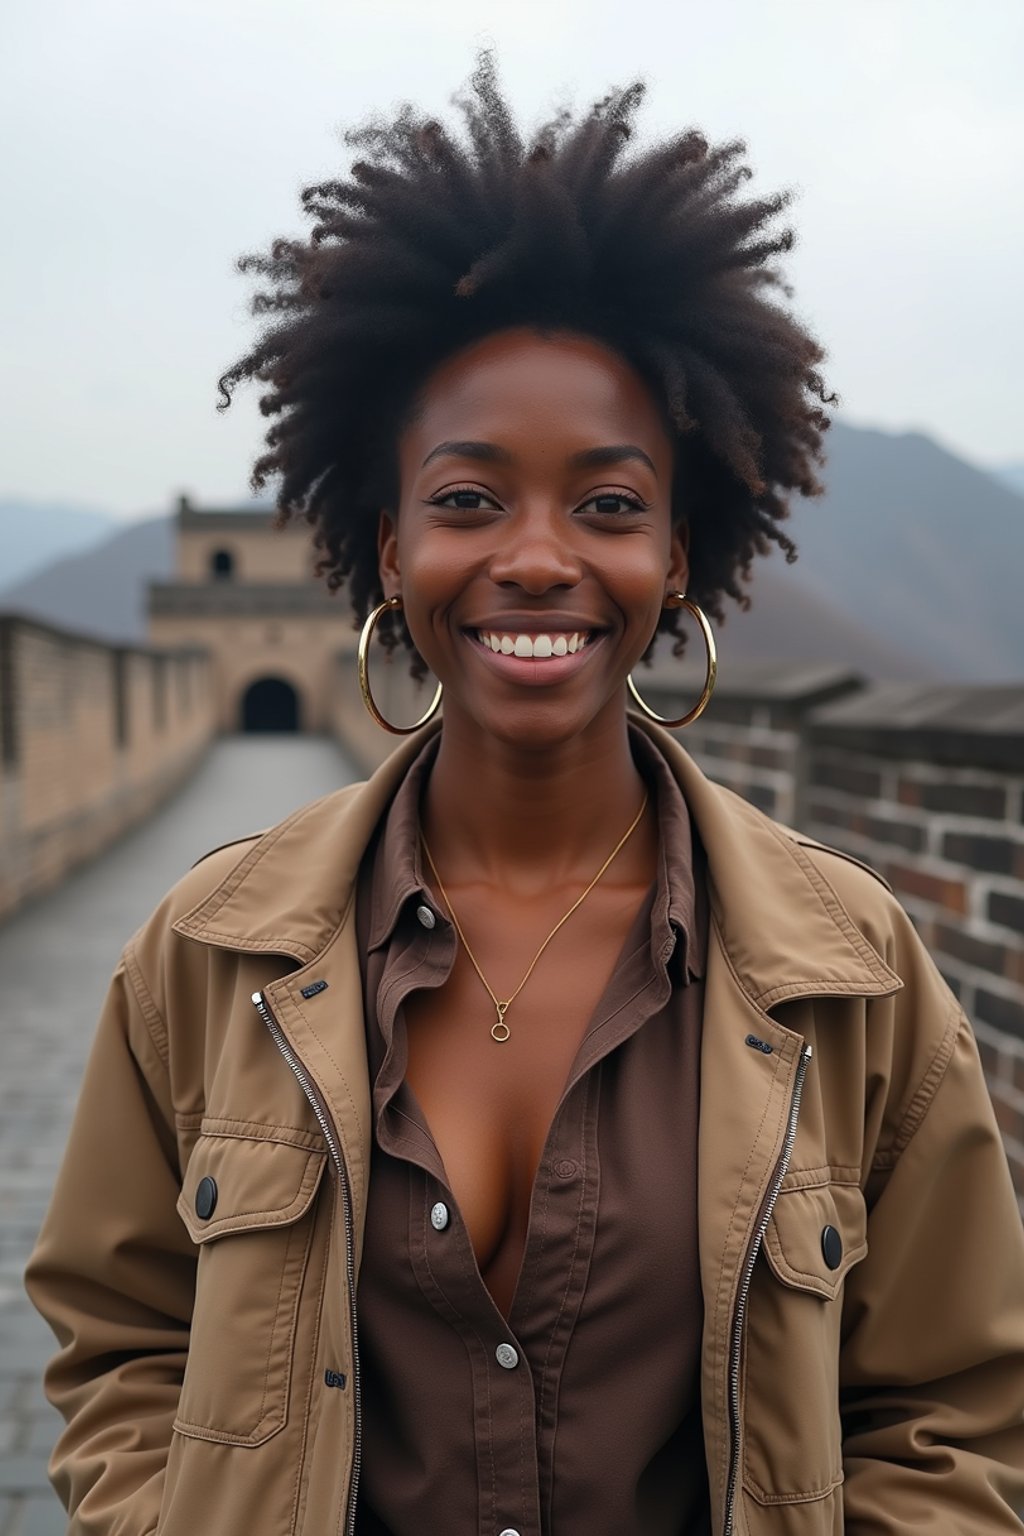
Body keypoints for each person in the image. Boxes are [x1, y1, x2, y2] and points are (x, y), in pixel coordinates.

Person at [26, 55, 1024, 1536]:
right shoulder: (205, 957)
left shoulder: (854, 976)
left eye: (610, 505)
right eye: (471, 499)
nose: (541, 556)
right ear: (387, 547)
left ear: (680, 554)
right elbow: (119, 1344)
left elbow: (955, 1413)